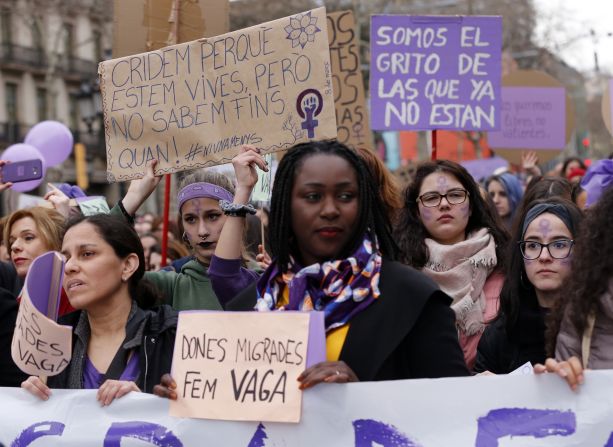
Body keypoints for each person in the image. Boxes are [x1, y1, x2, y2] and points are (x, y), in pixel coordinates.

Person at [217, 141, 468, 386]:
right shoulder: (247, 307)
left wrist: (359, 400)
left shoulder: (414, 299)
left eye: (346, 196)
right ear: (285, 205)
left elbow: (455, 415)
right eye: (313, 196)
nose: (330, 210)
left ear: (363, 204)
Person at [21, 214, 177, 405]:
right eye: (66, 257)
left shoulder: (172, 336)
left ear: (127, 265)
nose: (69, 267)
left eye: (87, 254)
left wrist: (146, 403)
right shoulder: (52, 341)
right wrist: (34, 401)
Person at [395, 160, 509, 370]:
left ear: (472, 204)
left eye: (455, 195)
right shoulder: (399, 276)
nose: (444, 204)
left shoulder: (506, 267)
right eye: (431, 198)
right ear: (416, 210)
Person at [116, 155, 261, 310]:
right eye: (191, 219)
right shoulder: (169, 286)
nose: (202, 231)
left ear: (237, 220)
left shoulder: (264, 281)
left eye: (213, 216)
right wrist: (131, 200)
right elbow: (101, 276)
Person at [474, 198, 583, 374]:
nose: (544, 256)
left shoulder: (601, 324)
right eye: (532, 245)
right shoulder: (501, 333)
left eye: (559, 244)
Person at [2, 207, 74, 315]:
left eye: (28, 237)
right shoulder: (17, 301)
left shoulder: (78, 296)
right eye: (11, 241)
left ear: (58, 243)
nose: (14, 247)